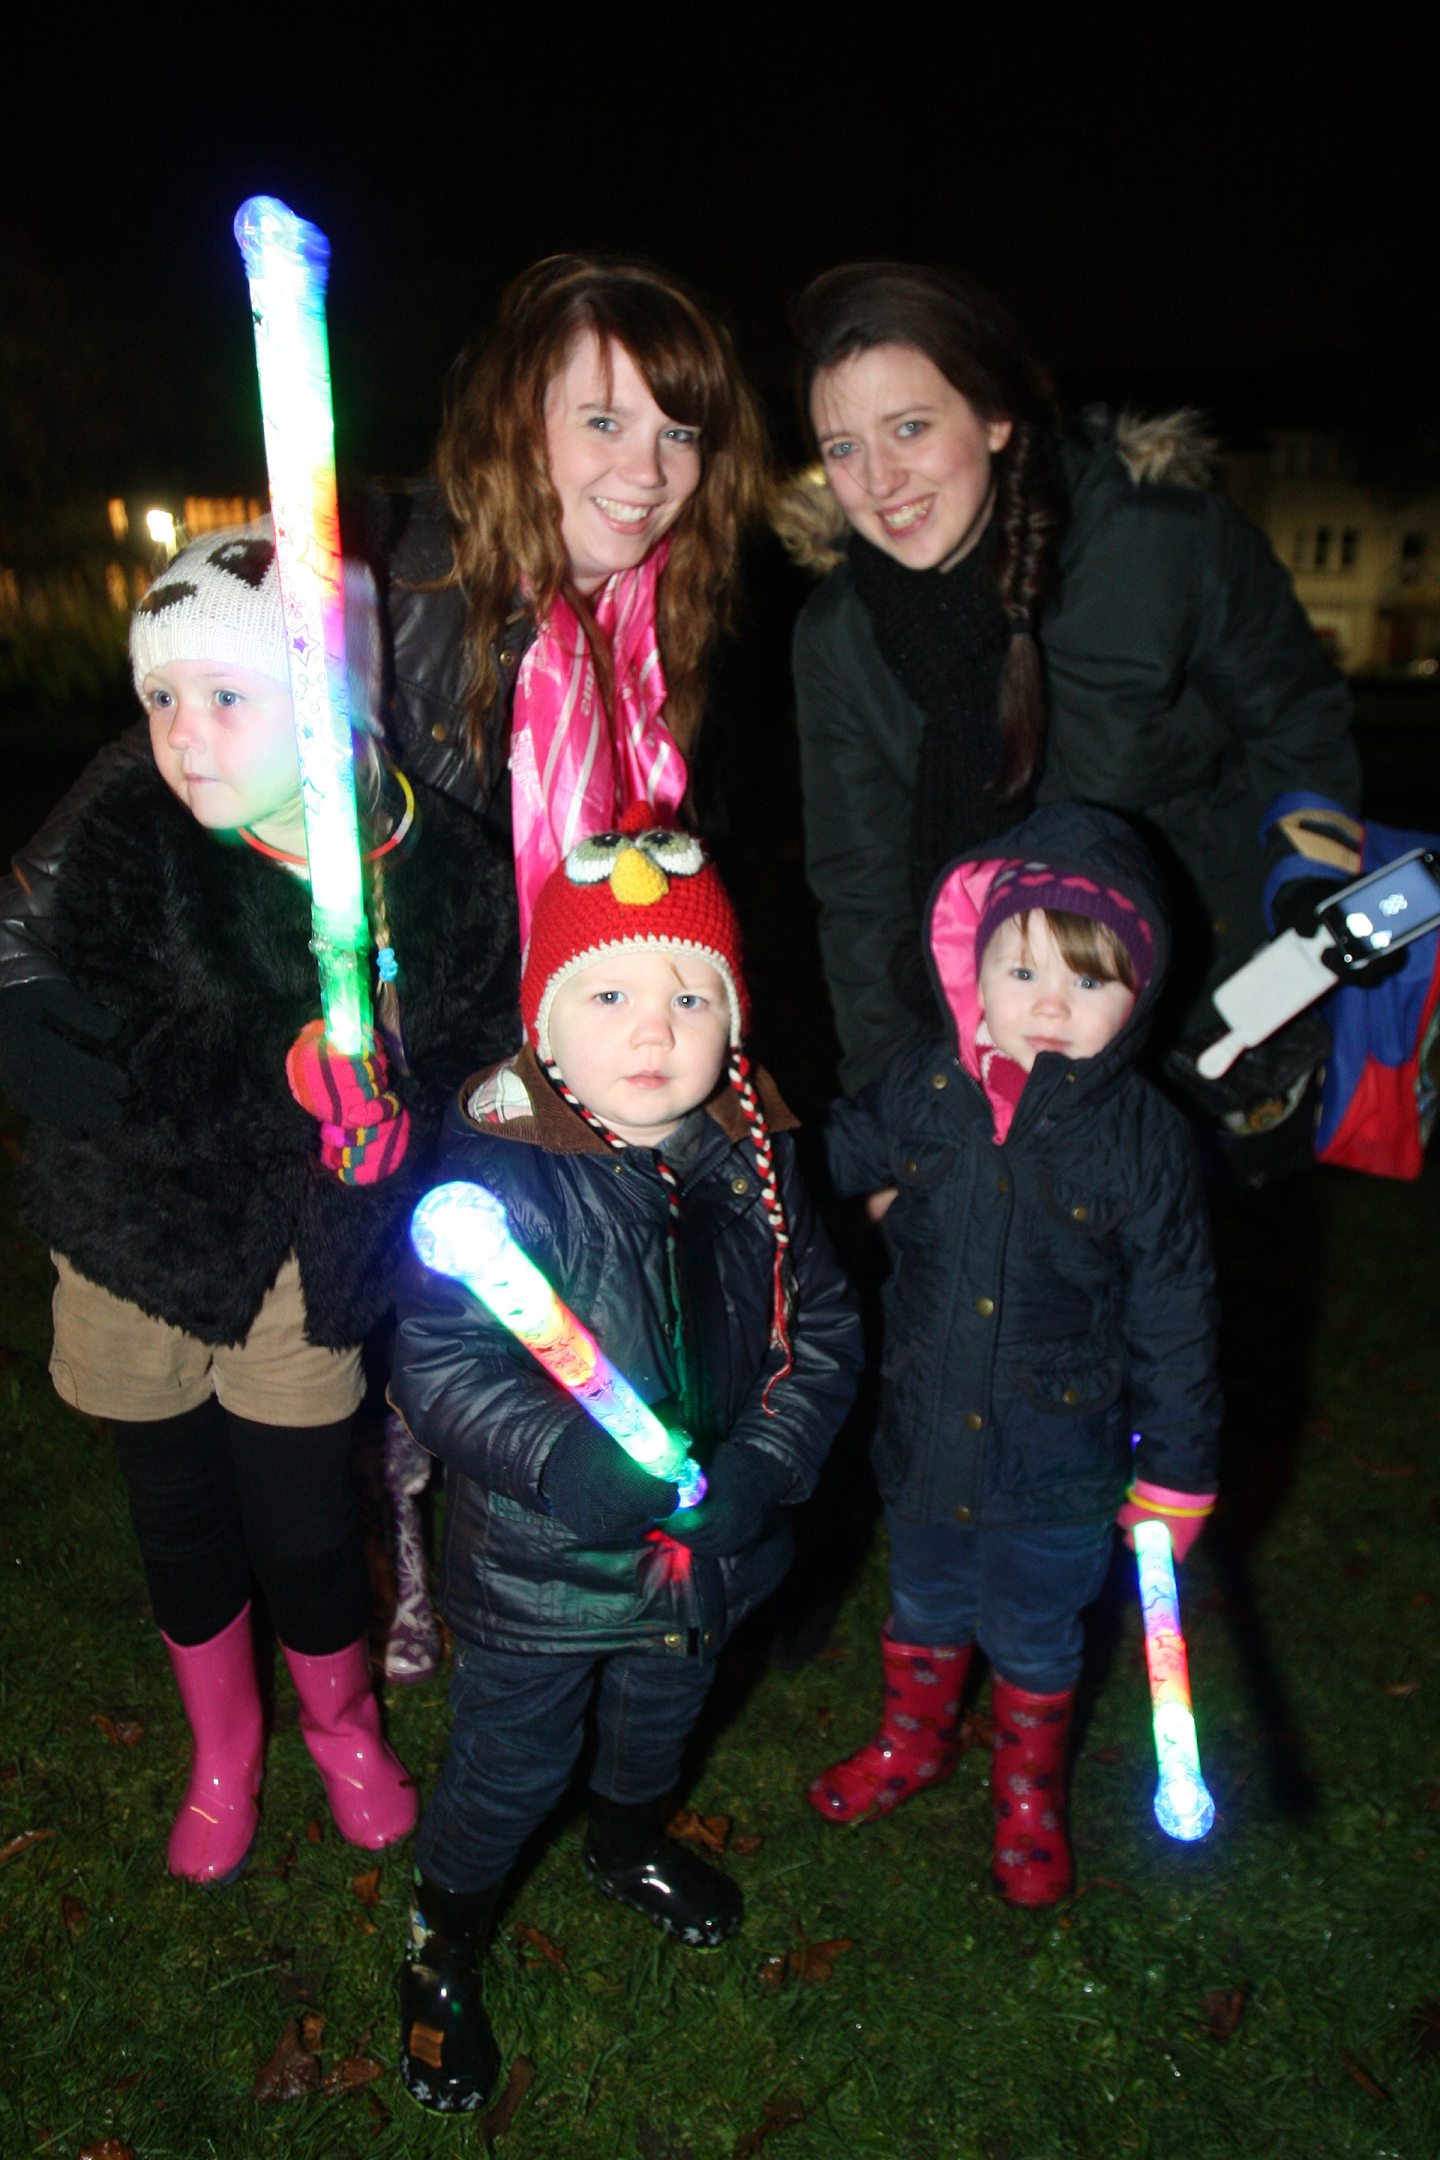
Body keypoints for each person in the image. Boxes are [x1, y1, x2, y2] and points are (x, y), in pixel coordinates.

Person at [0, 253, 770, 1680]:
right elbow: (171, 756)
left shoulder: (654, 619)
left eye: (680, 430)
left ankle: (533, 1577)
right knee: (410, 1327)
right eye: (603, 419)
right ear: (513, 420)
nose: (650, 467)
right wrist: (28, 983)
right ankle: (410, 1583)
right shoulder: (400, 579)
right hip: (379, 1046)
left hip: (545, 1030)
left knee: (541, 1309)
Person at [10, 523, 517, 1886]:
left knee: (303, 1517)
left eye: (224, 697)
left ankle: (341, 1726)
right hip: (141, 1236)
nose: (184, 735)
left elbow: (478, 1053)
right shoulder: (131, 835)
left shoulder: (435, 861)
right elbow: (95, 1038)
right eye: (161, 698)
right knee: (177, 1505)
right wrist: (270, 1066)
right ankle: (223, 1749)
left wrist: (401, 1134)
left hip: (307, 1263)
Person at [388, 809, 861, 2113]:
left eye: (689, 993)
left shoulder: (758, 1166)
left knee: (660, 1725)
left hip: (705, 1561)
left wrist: (762, 1472)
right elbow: (442, 1367)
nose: (654, 1030)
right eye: (609, 992)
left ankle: (629, 1841)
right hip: (544, 1571)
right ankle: (443, 1939)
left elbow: (819, 1333)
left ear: (734, 1020)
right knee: (510, 1765)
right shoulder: (505, 1181)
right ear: (544, 1027)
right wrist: (562, 1463)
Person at [781, 262, 1361, 1155]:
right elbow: (861, 897)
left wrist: (1302, 912)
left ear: (995, 417)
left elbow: (1298, 721)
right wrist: (898, 1125)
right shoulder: (839, 637)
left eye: (909, 427)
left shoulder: (1161, 540)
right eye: (842, 447)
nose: (880, 478)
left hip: (1206, 1029)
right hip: (988, 1058)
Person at [808, 802, 1220, 1906]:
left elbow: (1178, 1318)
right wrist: (740, 1142)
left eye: (1089, 982)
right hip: (927, 1434)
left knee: (1037, 1632)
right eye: (1021, 968)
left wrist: (1177, 1473)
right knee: (927, 1603)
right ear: (969, 971)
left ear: (1137, 998)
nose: (1049, 1002)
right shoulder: (924, 1089)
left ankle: (1030, 1792)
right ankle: (915, 1740)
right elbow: (830, 1155)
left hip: (1060, 1463)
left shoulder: (1142, 1142)